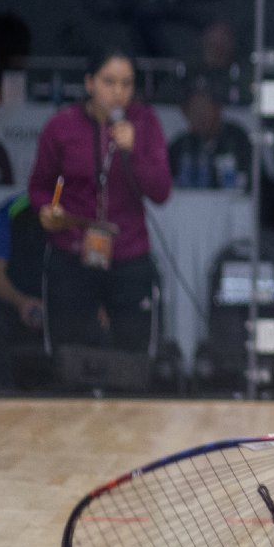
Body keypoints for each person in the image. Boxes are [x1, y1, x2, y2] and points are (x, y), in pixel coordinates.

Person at [27, 49, 172, 355]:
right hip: (73, 250)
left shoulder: (144, 123)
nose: (119, 93)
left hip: (128, 251)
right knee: (71, 353)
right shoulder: (62, 125)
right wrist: (47, 209)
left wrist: (133, 151)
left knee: (132, 354)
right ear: (90, 83)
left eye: (127, 84)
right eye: (109, 82)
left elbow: (160, 191)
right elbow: (40, 186)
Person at [0, 192, 51, 389]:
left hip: (67, 309)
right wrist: (20, 302)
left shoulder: (85, 209)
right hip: (15, 305)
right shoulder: (15, 209)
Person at [168, 84, 253, 189]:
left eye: (204, 108)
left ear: (218, 109)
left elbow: (258, 183)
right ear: (186, 114)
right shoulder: (179, 147)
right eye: (195, 111)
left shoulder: (238, 140)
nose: (200, 116)